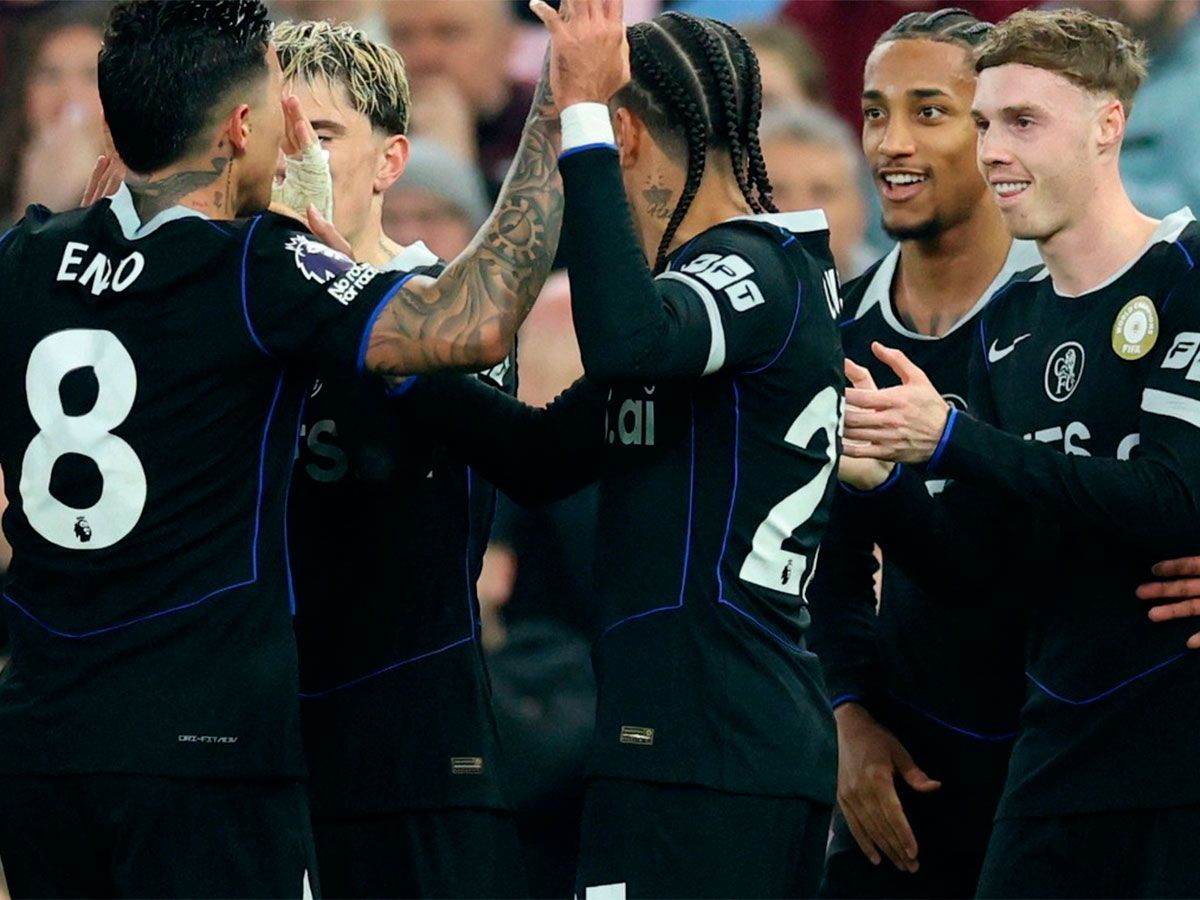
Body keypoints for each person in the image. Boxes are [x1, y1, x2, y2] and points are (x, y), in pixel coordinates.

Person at [0, 0, 561, 896]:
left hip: (39, 740)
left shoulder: (26, 255)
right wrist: (564, 110)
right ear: (240, 128)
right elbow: (482, 320)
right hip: (204, 747)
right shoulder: (258, 269)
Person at [403, 2, 845, 895]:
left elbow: (623, 345)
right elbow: (535, 459)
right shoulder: (702, 313)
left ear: (626, 138)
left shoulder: (751, 270)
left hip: (713, 746)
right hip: (692, 745)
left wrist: (580, 122)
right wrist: (387, 340)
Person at [837, 8, 1200, 897]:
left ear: (1108, 125)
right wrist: (882, 484)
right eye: (987, 123)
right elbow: (982, 573)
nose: (995, 151)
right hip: (1054, 757)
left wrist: (954, 440)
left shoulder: (1186, 274)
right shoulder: (1009, 323)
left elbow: (1170, 498)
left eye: (1024, 122)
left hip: (1178, 756)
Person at [273, 20, 540, 899]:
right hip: (257, 754)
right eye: (275, 134)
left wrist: (336, 294)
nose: (293, 159)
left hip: (413, 759)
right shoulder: (231, 306)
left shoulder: (443, 308)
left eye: (320, 134)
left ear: (391, 161)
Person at [805, 9, 1041, 899]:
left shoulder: (1068, 309)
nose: (891, 142)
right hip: (905, 773)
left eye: (929, 111)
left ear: (997, 134)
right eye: (875, 112)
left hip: (1066, 756)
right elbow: (821, 564)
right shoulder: (836, 333)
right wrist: (847, 715)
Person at [760, 103, 874, 278]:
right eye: (775, 193)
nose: (799, 210)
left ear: (859, 211)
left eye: (822, 192)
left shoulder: (898, 290)